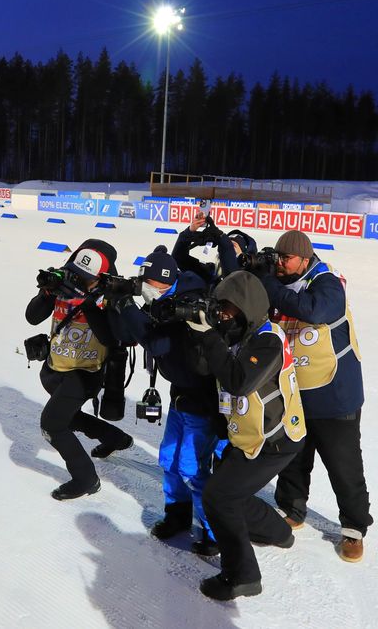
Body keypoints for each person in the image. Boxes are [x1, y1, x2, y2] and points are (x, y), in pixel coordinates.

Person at [185, 271, 306, 600]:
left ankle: (242, 576)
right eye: (219, 308)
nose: (221, 315)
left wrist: (210, 336)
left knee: (218, 497)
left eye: (226, 308)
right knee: (231, 492)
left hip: (275, 439)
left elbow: (239, 380)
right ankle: (278, 532)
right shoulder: (236, 334)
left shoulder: (267, 340)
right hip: (251, 437)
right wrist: (205, 334)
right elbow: (205, 369)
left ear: (246, 307)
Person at [259, 229, 371, 563]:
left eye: (286, 258)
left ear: (305, 259)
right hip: (296, 393)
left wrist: (271, 286)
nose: (279, 264)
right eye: (277, 257)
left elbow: (315, 311)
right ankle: (292, 508)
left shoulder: (327, 282)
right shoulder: (283, 282)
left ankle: (354, 528)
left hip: (334, 394)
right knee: (294, 456)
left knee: (343, 465)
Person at [106, 246, 220, 554]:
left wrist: (129, 307)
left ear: (164, 281)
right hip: (181, 395)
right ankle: (178, 516)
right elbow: (134, 334)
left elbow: (157, 344)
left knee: (191, 468)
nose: (144, 287)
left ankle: (214, 531)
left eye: (148, 282)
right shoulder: (164, 298)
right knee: (168, 459)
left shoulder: (188, 304)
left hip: (202, 400)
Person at [24, 239, 133, 501]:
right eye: (78, 273)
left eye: (88, 278)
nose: (80, 280)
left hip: (85, 373)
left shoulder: (109, 296)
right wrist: (47, 292)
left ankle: (85, 479)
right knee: (68, 417)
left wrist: (87, 302)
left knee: (52, 425)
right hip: (55, 367)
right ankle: (115, 438)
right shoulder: (63, 284)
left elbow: (112, 337)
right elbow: (32, 316)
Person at [172, 209, 255, 285]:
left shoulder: (248, 281)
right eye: (225, 245)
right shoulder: (210, 273)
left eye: (232, 246)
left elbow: (231, 274)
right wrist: (189, 233)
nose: (228, 248)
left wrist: (222, 238)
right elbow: (179, 259)